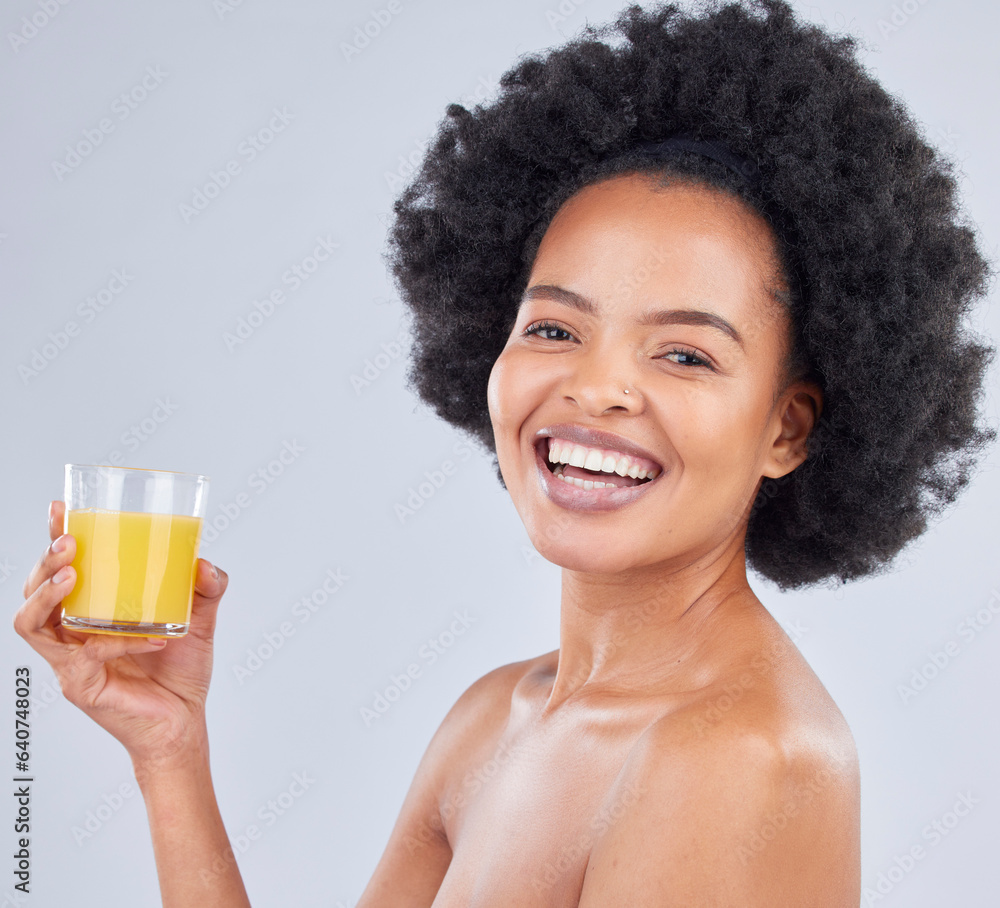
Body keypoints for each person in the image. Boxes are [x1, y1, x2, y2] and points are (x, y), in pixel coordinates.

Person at [16, 1, 994, 904]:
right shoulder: (496, 715)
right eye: (555, 328)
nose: (598, 386)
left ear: (786, 426)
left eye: (686, 352)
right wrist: (169, 749)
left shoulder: (741, 756)